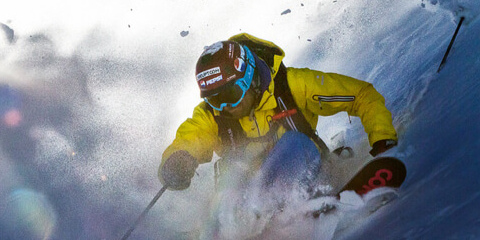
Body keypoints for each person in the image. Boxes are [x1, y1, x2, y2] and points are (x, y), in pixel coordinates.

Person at [159, 33, 398, 193]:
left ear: (249, 78)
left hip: (313, 177)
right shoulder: (212, 115)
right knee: (229, 171)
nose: (225, 107)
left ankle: (295, 212)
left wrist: (382, 138)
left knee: (293, 142)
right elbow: (191, 137)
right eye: (214, 100)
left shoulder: (292, 86)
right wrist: (178, 160)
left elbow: (361, 96)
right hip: (249, 202)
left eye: (230, 95)